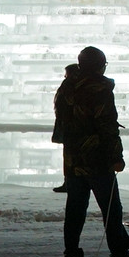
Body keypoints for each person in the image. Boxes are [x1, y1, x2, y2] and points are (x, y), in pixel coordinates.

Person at [56, 46, 129, 257]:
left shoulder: (67, 86)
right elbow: (107, 126)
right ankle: (119, 256)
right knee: (111, 209)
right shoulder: (100, 89)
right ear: (100, 66)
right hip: (97, 159)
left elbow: (61, 122)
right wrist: (116, 157)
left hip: (73, 158)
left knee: (75, 210)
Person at [50, 62, 77, 193]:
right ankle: (70, 182)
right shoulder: (73, 84)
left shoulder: (69, 84)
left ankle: (70, 182)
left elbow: (64, 103)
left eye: (66, 73)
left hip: (69, 125)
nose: (65, 76)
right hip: (69, 124)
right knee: (70, 156)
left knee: (70, 156)